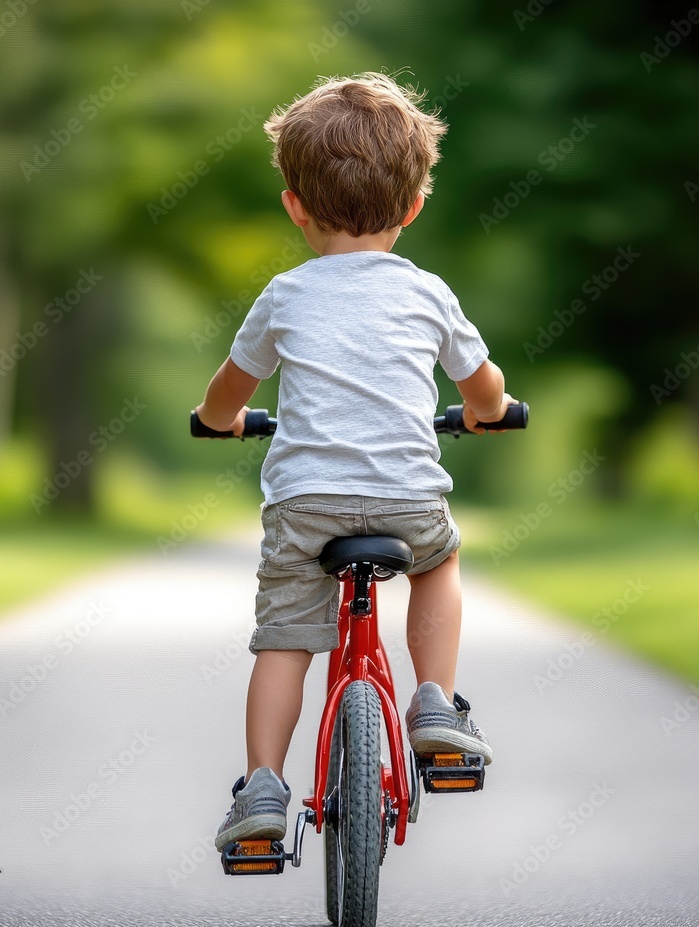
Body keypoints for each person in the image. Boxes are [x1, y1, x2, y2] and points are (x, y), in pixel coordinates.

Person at [195, 73, 516, 851]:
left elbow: (225, 393)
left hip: (306, 506)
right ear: (412, 207)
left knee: (284, 641)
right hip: (407, 498)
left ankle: (263, 791)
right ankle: (433, 700)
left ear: (294, 206)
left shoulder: (283, 296)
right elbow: (485, 386)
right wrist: (486, 415)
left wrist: (222, 421)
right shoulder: (428, 294)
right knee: (438, 563)